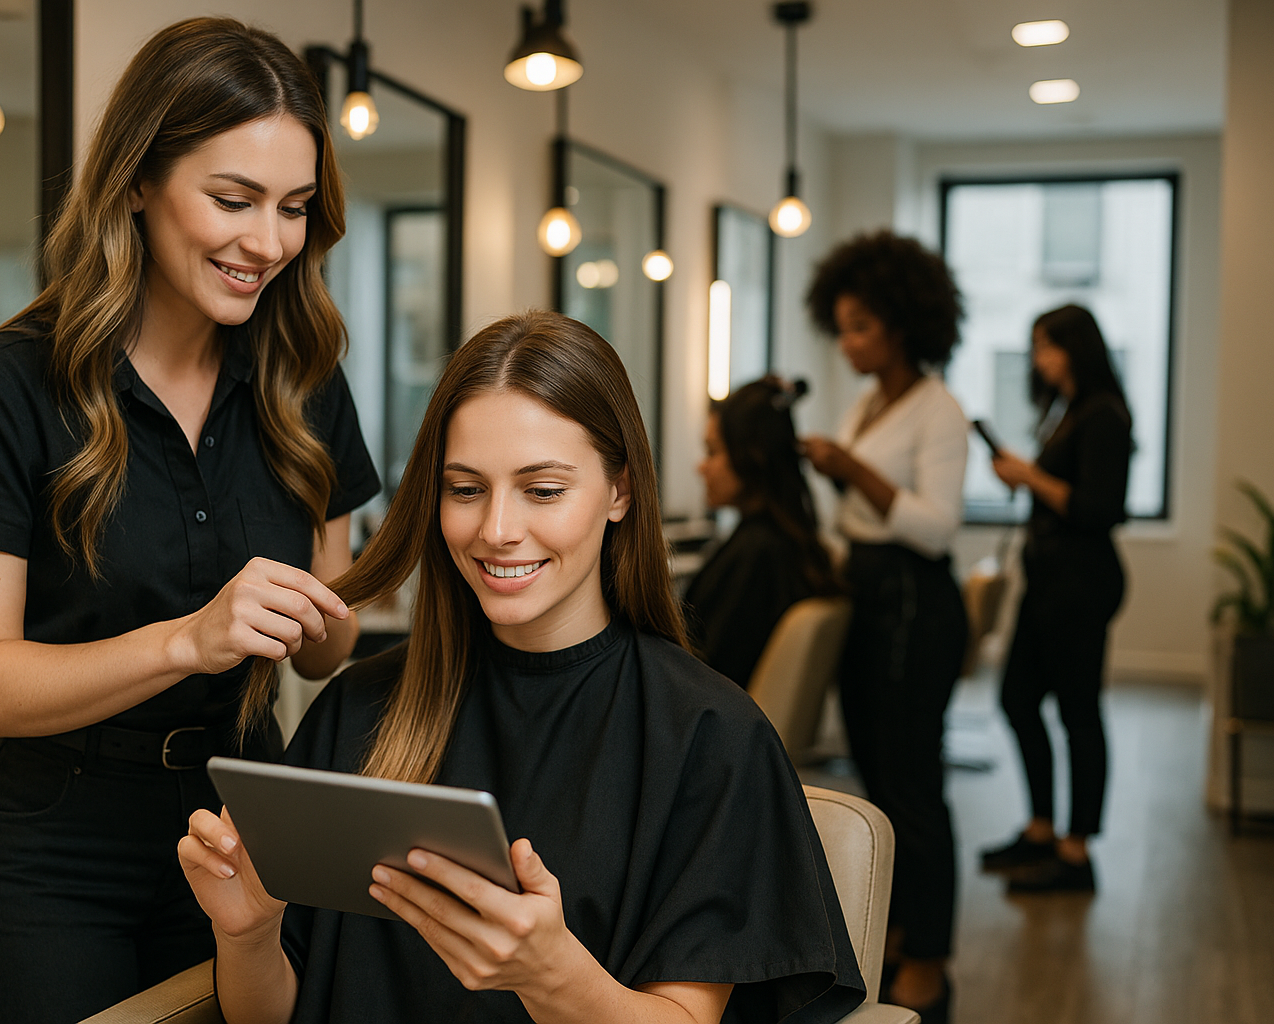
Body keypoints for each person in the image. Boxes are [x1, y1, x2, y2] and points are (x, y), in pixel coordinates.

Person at [0, 19, 380, 1024]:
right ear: (135, 182)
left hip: (248, 818)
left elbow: (330, 644)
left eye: (292, 209)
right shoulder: (1, 390)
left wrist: (326, 623)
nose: (267, 242)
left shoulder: (306, 380)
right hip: (51, 852)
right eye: (232, 200)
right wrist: (188, 639)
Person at [180, 312, 867, 1024]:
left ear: (621, 492)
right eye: (466, 489)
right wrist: (248, 934)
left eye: (543, 490)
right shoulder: (360, 710)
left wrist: (554, 978)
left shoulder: (709, 737)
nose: (497, 529)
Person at [799, 231, 968, 1024]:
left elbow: (936, 528)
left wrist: (851, 468)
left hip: (916, 601)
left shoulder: (940, 410)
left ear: (905, 323)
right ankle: (898, 932)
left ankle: (931, 960)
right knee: (879, 775)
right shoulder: (870, 403)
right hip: (869, 591)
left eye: (862, 325)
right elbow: (860, 519)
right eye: (844, 327)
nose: (850, 341)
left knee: (914, 783)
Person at [980, 304, 1132, 893]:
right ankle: (1042, 829)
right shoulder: (1065, 413)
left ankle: (1076, 851)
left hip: (1081, 584)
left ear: (1079, 348)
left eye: (1050, 345)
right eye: (1037, 346)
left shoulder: (1103, 416)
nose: (1040, 358)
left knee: (1077, 712)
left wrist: (1030, 477)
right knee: (1018, 699)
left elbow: (1100, 508)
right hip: (1047, 582)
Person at [685, 377, 840, 687]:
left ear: (750, 456)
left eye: (713, 452)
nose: (701, 467)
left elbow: (707, 671)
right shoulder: (782, 542)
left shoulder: (758, 553)